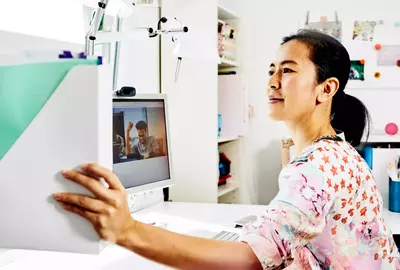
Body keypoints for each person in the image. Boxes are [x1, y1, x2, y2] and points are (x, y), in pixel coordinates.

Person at [53, 30, 400, 269]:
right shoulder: (335, 150)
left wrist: (127, 231)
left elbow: (250, 261)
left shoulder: (318, 164)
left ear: (326, 89)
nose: (272, 81)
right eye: (271, 70)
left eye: (288, 70)